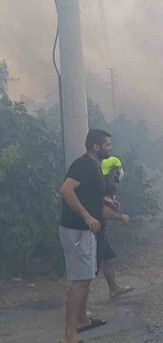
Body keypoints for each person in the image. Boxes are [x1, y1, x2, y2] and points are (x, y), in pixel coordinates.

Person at [58, 129, 111, 343]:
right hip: (78, 230)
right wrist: (87, 216)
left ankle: (81, 319)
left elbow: (87, 191)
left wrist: (105, 201)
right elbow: (66, 190)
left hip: (86, 231)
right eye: (107, 144)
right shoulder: (83, 164)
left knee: (86, 277)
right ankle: (69, 335)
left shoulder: (92, 166)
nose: (110, 148)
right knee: (80, 281)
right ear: (95, 147)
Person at [97, 155, 134, 298]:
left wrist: (112, 203)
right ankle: (80, 306)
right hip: (94, 228)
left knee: (106, 259)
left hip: (99, 227)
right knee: (93, 265)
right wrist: (120, 217)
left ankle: (113, 288)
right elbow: (100, 209)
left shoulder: (106, 186)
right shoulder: (103, 186)